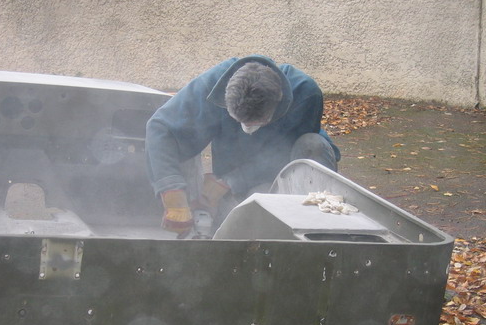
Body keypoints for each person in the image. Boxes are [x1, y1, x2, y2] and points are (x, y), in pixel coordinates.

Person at [146, 55, 341, 234]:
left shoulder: (305, 94)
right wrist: (172, 192)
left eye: (256, 122)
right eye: (241, 121)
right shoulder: (212, 86)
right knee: (236, 227)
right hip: (231, 173)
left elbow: (283, 156)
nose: (247, 128)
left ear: (278, 104)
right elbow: (160, 128)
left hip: (280, 174)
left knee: (312, 144)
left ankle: (317, 231)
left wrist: (232, 181)